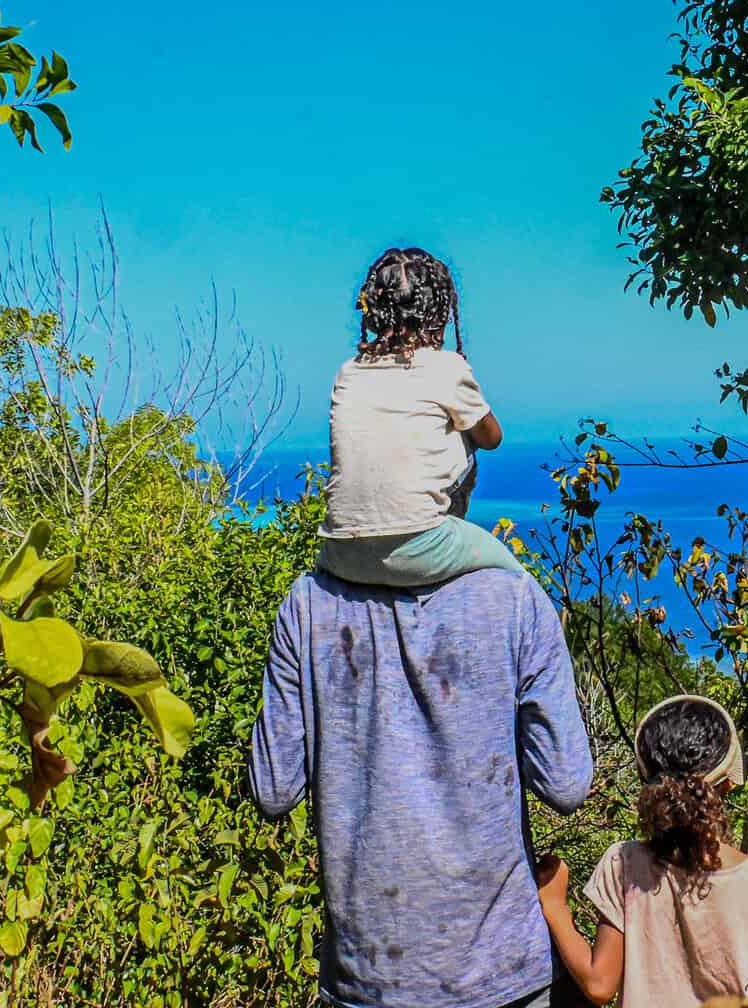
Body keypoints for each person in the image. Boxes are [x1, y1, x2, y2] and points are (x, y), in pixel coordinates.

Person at [247, 538, 594, 1006]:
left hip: (366, 975)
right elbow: (565, 783)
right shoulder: (514, 597)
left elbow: (273, 788)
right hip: (501, 969)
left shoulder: (308, 602)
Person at [534, 696, 748, 1008]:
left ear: (644, 780)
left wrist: (555, 906)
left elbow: (599, 985)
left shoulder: (624, 863)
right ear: (730, 781)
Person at [318, 245, 525, 586]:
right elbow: (492, 438)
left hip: (340, 553)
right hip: (419, 548)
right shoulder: (445, 367)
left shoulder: (348, 372)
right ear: (438, 311)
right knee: (513, 577)